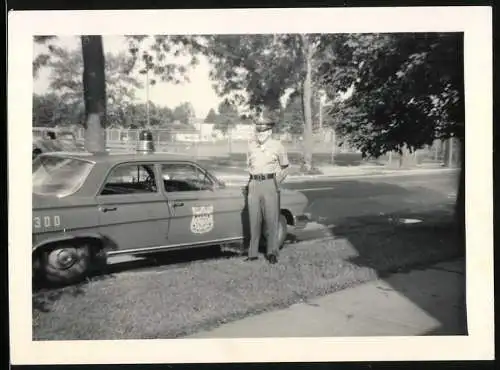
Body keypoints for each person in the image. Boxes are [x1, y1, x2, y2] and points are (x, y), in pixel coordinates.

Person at [245, 118, 289, 264]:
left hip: (270, 183)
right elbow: (250, 165)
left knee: (271, 220)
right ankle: (252, 253)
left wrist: (276, 182)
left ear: (269, 131)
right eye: (258, 131)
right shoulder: (251, 146)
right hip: (254, 184)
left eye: (263, 131)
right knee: (254, 220)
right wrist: (250, 184)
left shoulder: (278, 146)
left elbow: (285, 167)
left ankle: (272, 253)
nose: (260, 134)